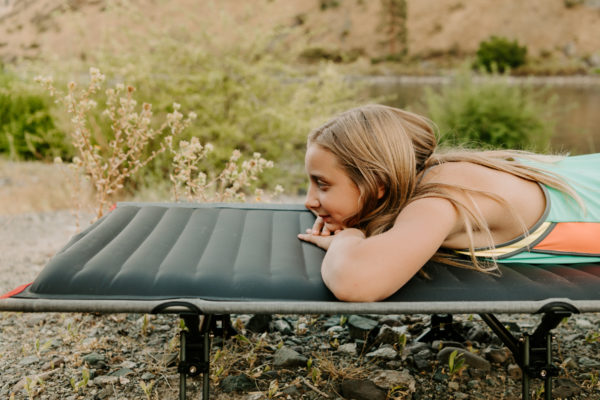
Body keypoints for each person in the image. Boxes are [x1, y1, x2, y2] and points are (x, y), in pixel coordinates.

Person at [297, 104, 600, 302]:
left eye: (322, 184)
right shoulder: (438, 171)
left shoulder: (442, 198)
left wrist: (348, 238)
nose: (310, 200)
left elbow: (356, 283)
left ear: (378, 183)